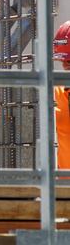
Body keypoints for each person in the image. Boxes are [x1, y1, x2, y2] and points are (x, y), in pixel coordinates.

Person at [54, 20, 70, 169]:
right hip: (64, 186)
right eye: (63, 60)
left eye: (69, 60)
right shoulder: (58, 91)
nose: (65, 65)